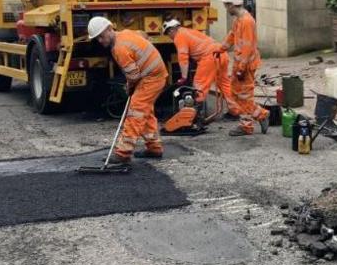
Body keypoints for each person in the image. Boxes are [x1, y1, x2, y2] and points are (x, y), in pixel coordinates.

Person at [88, 16, 167, 166]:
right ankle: (154, 148)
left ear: (109, 29)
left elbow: (133, 75)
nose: (100, 40)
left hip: (151, 77)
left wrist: (130, 88)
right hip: (154, 74)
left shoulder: (119, 48)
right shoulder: (125, 33)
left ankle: (123, 153)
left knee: (135, 112)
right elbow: (143, 35)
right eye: (97, 38)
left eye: (101, 36)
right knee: (145, 112)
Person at [162, 19, 233, 133]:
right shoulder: (188, 31)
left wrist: (184, 77)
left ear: (172, 30)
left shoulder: (179, 36)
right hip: (221, 54)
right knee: (224, 84)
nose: (169, 36)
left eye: (168, 33)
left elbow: (183, 57)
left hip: (209, 58)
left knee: (199, 87)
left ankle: (195, 119)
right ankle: (235, 111)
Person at [221, 0, 269, 136]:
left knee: (244, 96)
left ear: (232, 4)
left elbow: (247, 47)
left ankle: (250, 123)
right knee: (236, 95)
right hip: (241, 64)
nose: (226, 8)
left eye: (226, 5)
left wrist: (241, 68)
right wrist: (220, 48)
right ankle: (258, 115)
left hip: (246, 65)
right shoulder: (239, 20)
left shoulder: (247, 21)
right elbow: (232, 36)